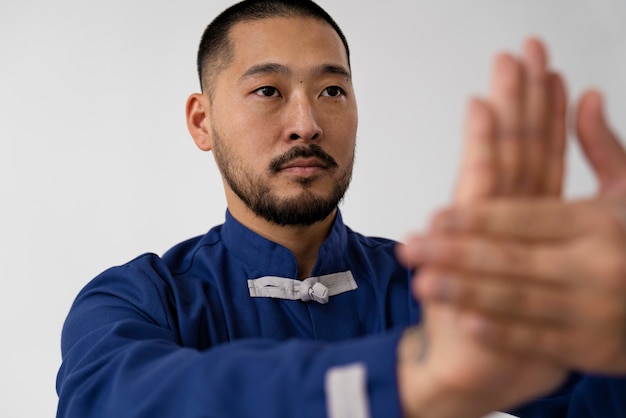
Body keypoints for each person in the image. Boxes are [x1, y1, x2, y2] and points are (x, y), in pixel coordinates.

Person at [55, 1, 626, 417]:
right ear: (202, 121)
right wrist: (407, 376)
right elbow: (112, 400)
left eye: (332, 91)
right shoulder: (137, 298)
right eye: (268, 91)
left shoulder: (436, 288)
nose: (307, 123)